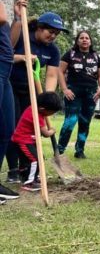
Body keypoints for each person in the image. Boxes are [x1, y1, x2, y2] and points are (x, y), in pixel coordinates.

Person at [6, 12, 66, 184]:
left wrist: (46, 98)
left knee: (31, 130)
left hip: (32, 92)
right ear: (39, 28)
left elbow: (52, 75)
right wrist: (22, 58)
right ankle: (13, 169)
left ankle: (27, 168)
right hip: (10, 86)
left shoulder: (53, 50)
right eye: (50, 31)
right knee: (14, 127)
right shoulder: (22, 36)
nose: (53, 36)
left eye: (56, 33)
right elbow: (5, 54)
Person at [57, 30, 100, 159]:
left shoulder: (95, 56)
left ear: (90, 41)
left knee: (85, 122)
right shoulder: (70, 54)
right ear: (77, 41)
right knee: (70, 121)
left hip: (91, 93)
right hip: (73, 92)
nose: (84, 40)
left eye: (87, 38)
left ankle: (80, 151)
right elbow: (60, 72)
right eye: (81, 38)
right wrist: (64, 89)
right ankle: (59, 150)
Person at [11, 92, 62, 192]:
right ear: (43, 109)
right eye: (52, 112)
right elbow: (46, 134)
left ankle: (28, 176)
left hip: (25, 140)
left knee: (31, 160)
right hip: (23, 141)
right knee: (36, 159)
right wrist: (52, 130)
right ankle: (30, 183)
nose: (52, 114)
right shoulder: (36, 116)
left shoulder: (34, 109)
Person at [0, 0, 21, 202]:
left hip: (5, 72)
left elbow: (11, 43)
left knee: (6, 128)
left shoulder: (4, 16)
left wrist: (17, 17)